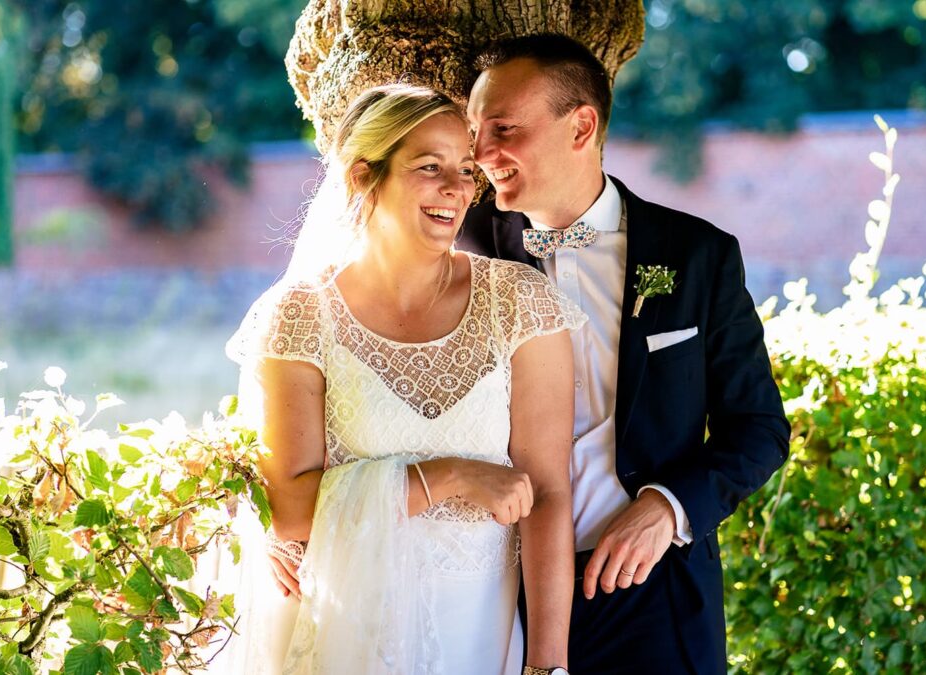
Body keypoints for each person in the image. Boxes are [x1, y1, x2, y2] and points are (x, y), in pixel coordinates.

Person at [224, 84, 586, 674]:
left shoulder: (521, 302)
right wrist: (449, 477)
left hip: (479, 631)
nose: (458, 188)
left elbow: (547, 494)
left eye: (466, 170)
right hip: (345, 634)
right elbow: (288, 505)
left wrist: (548, 665)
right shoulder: (299, 314)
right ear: (365, 175)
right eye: (429, 167)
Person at [461, 34, 790, 674]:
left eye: (503, 128)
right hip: (492, 594)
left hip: (655, 594)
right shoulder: (460, 250)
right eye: (475, 131)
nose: (479, 154)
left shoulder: (698, 255)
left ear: (582, 126)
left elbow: (759, 429)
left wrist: (668, 507)